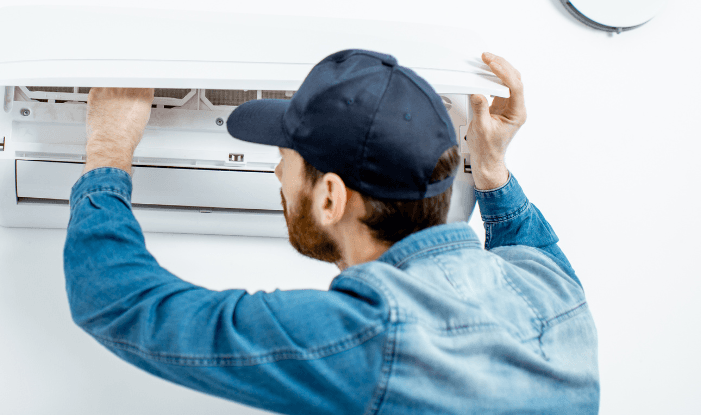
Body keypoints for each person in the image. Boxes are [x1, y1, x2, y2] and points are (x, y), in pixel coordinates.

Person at [63, 49, 599, 414]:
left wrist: (108, 151)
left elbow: (121, 305)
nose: (277, 173)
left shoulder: (370, 339)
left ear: (330, 198)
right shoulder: (550, 289)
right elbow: (532, 248)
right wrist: (492, 172)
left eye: (285, 159)